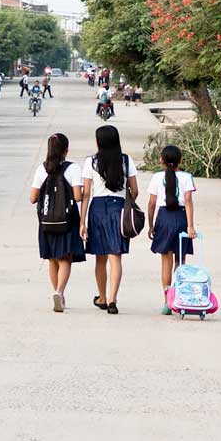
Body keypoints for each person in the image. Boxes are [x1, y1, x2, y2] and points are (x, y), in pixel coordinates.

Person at [79, 124, 137, 315]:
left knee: (100, 257)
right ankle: (113, 299)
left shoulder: (91, 162)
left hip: (97, 209)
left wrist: (82, 221)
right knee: (116, 256)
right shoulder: (126, 161)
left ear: (99, 142)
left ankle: (102, 297)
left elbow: (86, 193)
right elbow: (134, 191)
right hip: (118, 209)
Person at [28, 132, 86, 312]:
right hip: (67, 221)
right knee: (65, 258)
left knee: (52, 259)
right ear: (66, 150)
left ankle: (56, 291)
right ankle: (60, 292)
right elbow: (77, 196)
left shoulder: (41, 169)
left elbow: (32, 198)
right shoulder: (73, 168)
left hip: (46, 222)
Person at [145, 143, 197, 315]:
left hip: (164, 219)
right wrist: (190, 226)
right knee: (180, 262)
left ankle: (167, 300)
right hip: (181, 218)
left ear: (161, 160)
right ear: (180, 160)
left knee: (165, 262)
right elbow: (188, 201)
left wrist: (151, 224)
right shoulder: (187, 177)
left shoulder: (156, 177)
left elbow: (152, 203)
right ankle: (180, 297)